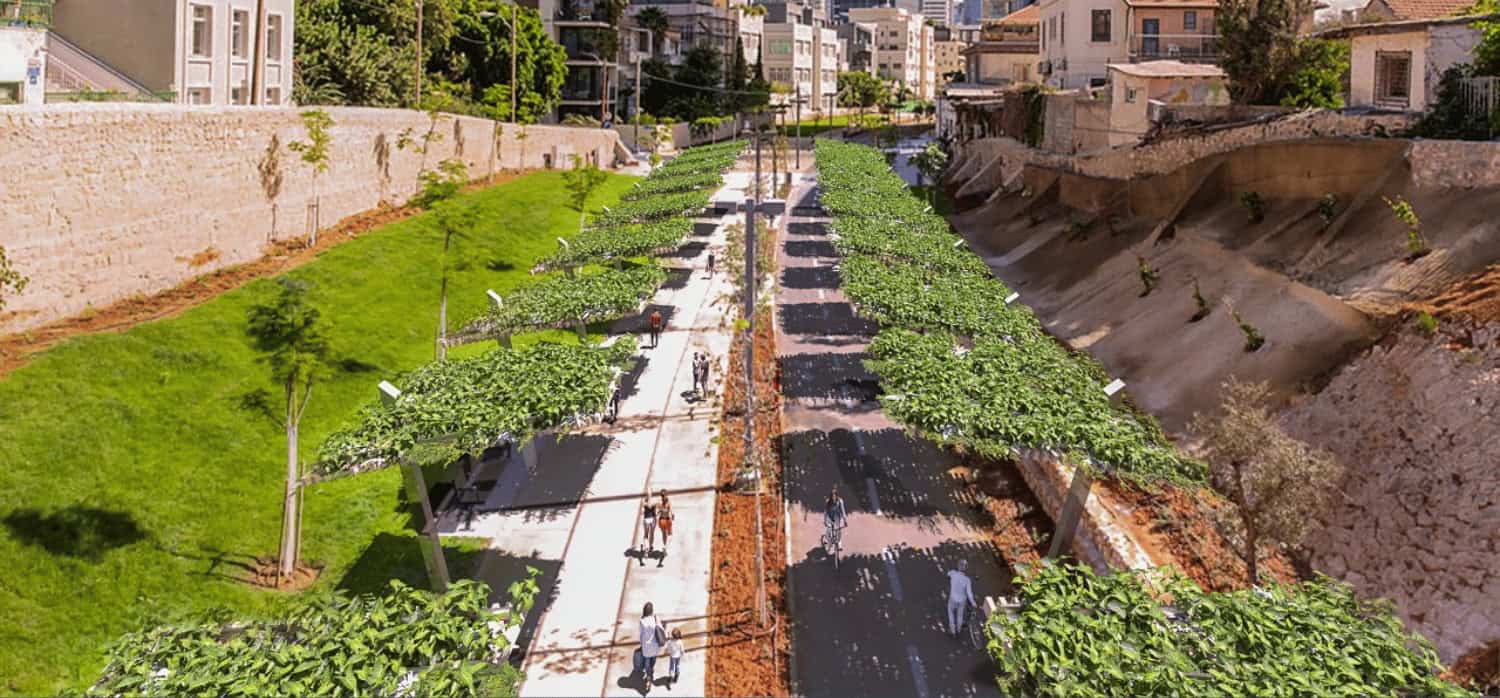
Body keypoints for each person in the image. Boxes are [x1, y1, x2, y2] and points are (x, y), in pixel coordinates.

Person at [947, 559, 976, 638]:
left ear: (958, 566)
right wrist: (973, 602)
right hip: (962, 600)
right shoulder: (967, 580)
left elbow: (948, 574)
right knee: (960, 615)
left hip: (953, 598)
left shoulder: (953, 573)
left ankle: (953, 631)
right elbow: (969, 593)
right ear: (966, 568)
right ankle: (958, 630)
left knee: (951, 612)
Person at [639, 602, 664, 692]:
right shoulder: (655, 619)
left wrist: (641, 643)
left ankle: (648, 676)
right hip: (655, 645)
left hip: (646, 646)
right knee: (653, 659)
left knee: (646, 661)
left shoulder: (642, 621)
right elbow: (661, 630)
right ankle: (651, 671)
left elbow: (641, 634)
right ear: (652, 610)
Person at [657, 490, 674, 566]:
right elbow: (672, 512)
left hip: (661, 521)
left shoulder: (659, 503)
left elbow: (657, 512)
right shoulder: (668, 503)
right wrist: (673, 516)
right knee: (670, 535)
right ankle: (665, 547)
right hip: (667, 520)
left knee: (664, 534)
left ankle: (664, 547)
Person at [641, 495, 658, 561]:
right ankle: (650, 547)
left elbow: (643, 510)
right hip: (653, 519)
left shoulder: (644, 503)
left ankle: (646, 550)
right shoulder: (654, 502)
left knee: (646, 535)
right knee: (652, 533)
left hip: (647, 519)